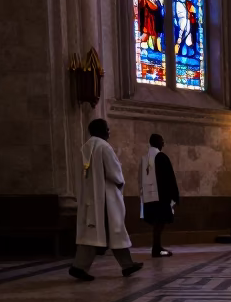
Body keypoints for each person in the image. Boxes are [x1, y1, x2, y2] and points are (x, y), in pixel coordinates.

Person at [71, 119, 142, 281]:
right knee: (115, 230)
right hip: (106, 200)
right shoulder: (104, 147)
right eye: (107, 129)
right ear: (102, 130)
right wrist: (120, 182)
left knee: (92, 234)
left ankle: (126, 265)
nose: (109, 132)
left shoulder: (85, 147)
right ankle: (79, 267)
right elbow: (114, 173)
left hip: (90, 199)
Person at [139, 133, 180, 257]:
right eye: (162, 141)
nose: (164, 144)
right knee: (159, 223)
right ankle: (156, 248)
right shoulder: (161, 157)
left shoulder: (144, 159)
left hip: (148, 197)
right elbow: (169, 177)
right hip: (161, 197)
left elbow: (139, 179)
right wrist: (175, 195)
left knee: (157, 223)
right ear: (157, 142)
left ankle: (157, 247)